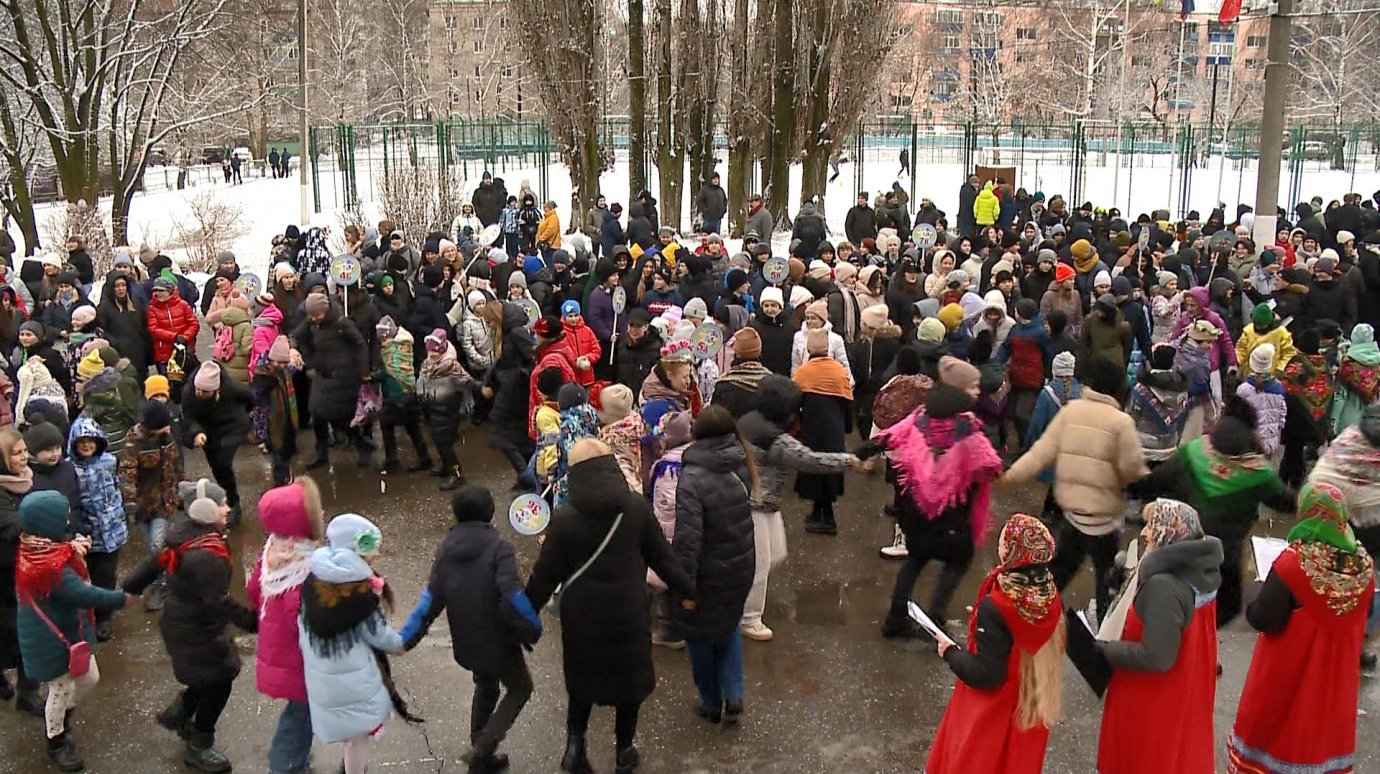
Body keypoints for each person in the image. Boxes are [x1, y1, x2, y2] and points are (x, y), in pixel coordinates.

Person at [525, 439, 694, 774]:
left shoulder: (565, 519)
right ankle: (624, 751)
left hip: (581, 616)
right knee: (628, 684)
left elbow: (544, 576)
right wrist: (689, 592)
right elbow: (663, 559)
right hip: (627, 610)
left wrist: (524, 614)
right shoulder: (634, 508)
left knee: (582, 682)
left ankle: (575, 749)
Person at [1227, 481, 1374, 774]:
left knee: (1276, 738)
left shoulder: (1294, 564)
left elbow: (1263, 619)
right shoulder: (1363, 567)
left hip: (1287, 677)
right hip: (1335, 685)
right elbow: (1363, 617)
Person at [400, 486, 542, 774]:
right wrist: (533, 626)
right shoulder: (499, 548)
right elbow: (512, 593)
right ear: (490, 512)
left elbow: (430, 600)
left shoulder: (446, 549)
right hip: (499, 639)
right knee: (520, 687)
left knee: (486, 683)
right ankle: (484, 746)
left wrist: (404, 640)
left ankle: (481, 751)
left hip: (466, 639)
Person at [860, 356, 1004, 637]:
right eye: (973, 386)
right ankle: (935, 618)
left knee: (915, 561)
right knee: (958, 561)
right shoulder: (967, 426)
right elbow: (990, 465)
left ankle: (895, 620)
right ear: (958, 389)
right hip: (953, 514)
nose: (978, 391)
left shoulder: (921, 415)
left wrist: (864, 451)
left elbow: (889, 436)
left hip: (916, 509)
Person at [120, 479, 254, 773]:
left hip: (179, 623)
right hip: (198, 630)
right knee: (220, 681)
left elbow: (153, 562)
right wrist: (251, 621)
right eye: (222, 504)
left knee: (204, 675)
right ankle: (199, 744)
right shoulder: (207, 556)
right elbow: (216, 602)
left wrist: (131, 587)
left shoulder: (183, 534)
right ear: (206, 511)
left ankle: (178, 713)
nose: (228, 507)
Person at [1002, 356, 1147, 618]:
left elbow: (1040, 454)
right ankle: (1105, 626)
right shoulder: (1121, 422)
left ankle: (1032, 614)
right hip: (1105, 520)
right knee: (1106, 577)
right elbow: (1132, 469)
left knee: (1060, 570)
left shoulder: (1071, 411)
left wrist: (1009, 476)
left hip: (1072, 515)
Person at [926, 514, 1064, 774]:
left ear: (1014, 551)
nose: (999, 546)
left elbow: (987, 674)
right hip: (1029, 704)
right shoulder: (1049, 594)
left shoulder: (998, 605)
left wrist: (950, 652)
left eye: (1003, 541)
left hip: (992, 713)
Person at [1095, 499, 1222, 774]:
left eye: (1151, 525)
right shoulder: (1200, 569)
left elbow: (1157, 656)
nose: (1143, 533)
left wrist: (1106, 651)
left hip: (1150, 702)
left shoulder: (1163, 585)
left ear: (1169, 532)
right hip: (1185, 691)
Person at [15, 490, 134, 772]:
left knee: (88, 678)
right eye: (64, 519)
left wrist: (71, 547)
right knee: (60, 690)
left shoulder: (36, 547)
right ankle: (56, 740)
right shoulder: (50, 569)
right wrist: (124, 598)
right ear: (49, 524)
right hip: (53, 642)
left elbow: (61, 551)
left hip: (64, 633)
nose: (68, 524)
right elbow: (86, 595)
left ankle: (64, 717)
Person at [738, 376, 857, 642]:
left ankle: (739, 591)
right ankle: (749, 618)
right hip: (756, 504)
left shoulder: (748, 421)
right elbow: (810, 460)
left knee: (775, 553)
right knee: (761, 563)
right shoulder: (774, 439)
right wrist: (850, 461)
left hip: (762, 502)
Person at [300, 514, 410, 774]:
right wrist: (403, 643)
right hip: (351, 683)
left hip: (325, 678)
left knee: (351, 735)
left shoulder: (315, 579)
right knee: (357, 739)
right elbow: (381, 636)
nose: (378, 554)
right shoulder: (356, 594)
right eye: (374, 548)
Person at [672, 406, 756, 725]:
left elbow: (688, 540)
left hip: (707, 574)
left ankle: (710, 701)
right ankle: (734, 692)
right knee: (729, 626)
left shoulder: (691, 477)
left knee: (699, 637)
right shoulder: (742, 463)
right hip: (740, 565)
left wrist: (685, 587)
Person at [246, 479, 323, 774]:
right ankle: (285, 766)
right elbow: (308, 620)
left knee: (300, 712)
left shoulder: (276, 552)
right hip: (298, 659)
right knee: (299, 715)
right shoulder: (304, 567)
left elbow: (255, 590)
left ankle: (296, 758)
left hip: (279, 651)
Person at [66, 418, 126, 643]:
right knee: (85, 576)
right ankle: (87, 615)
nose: (87, 445)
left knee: (106, 576)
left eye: (91, 441)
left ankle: (104, 618)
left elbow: (117, 488)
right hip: (87, 535)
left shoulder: (109, 462)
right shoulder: (69, 468)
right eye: (82, 441)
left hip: (111, 531)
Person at [793, 328, 854, 535]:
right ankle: (820, 512)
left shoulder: (804, 372)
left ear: (809, 348)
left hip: (812, 431)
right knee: (830, 471)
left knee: (814, 470)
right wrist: (847, 427)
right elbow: (847, 402)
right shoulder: (838, 370)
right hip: (834, 431)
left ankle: (827, 520)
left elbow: (794, 403)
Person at [0, 427, 42, 717]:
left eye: (25, 450)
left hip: (24, 571)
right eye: (16, 453)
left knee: (31, 632)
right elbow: (10, 523)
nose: (24, 457)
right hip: (3, 576)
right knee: (17, 634)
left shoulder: (27, 479)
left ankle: (28, 693)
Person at [181, 362, 251, 521]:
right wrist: (196, 432)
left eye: (204, 391)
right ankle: (229, 497)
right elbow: (189, 417)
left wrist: (245, 420)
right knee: (217, 466)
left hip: (231, 427)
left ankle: (233, 503)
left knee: (223, 461)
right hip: (208, 431)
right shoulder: (189, 392)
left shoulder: (232, 388)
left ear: (216, 390)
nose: (199, 392)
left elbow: (249, 399)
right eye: (198, 389)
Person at [418, 329, 472, 490]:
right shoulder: (427, 364)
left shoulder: (451, 366)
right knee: (437, 440)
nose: (432, 354)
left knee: (445, 444)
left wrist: (466, 403)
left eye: (435, 351)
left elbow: (467, 383)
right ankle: (445, 466)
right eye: (429, 351)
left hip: (448, 411)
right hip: (432, 409)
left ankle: (456, 474)